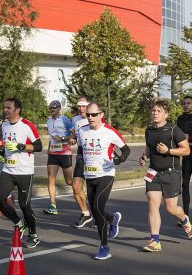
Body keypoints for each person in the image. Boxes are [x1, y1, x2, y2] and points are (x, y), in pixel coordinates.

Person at [138, 100, 192, 253]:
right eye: (153, 111)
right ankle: (155, 240)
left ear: (166, 114)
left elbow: (186, 150)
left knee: (170, 208)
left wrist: (168, 151)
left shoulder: (174, 130)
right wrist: (145, 157)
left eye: (159, 111)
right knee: (152, 204)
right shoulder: (149, 130)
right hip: (154, 172)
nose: (155, 113)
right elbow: (149, 146)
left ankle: (184, 219)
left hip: (171, 173)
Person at [77, 102, 130, 260]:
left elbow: (126, 150)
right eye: (88, 115)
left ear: (101, 115)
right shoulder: (82, 130)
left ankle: (104, 247)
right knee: (95, 211)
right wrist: (80, 160)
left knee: (97, 208)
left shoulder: (109, 131)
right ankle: (113, 218)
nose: (91, 118)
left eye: (94, 115)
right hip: (89, 175)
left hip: (106, 174)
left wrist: (118, 160)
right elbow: (81, 148)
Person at [0, 98, 43, 248]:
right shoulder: (4, 124)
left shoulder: (27, 125)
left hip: (25, 171)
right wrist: (1, 148)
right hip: (8, 169)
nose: (5, 110)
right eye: (5, 107)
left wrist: (20, 146)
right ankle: (19, 223)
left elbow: (38, 146)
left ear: (17, 110)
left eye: (8, 108)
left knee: (24, 204)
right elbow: (7, 143)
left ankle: (33, 234)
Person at [43, 100, 74, 216]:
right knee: (51, 178)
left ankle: (81, 190)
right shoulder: (48, 120)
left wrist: (62, 139)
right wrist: (49, 148)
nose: (52, 109)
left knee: (69, 181)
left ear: (59, 108)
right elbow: (52, 136)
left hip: (65, 152)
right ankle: (53, 205)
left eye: (54, 107)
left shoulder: (65, 120)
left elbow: (73, 134)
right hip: (53, 153)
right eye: (50, 108)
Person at [68, 98, 92, 228]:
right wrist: (72, 139)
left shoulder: (94, 117)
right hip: (82, 154)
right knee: (76, 186)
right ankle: (85, 213)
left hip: (95, 155)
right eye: (79, 106)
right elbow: (74, 136)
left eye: (83, 106)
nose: (81, 109)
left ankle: (100, 215)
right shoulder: (75, 119)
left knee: (94, 190)